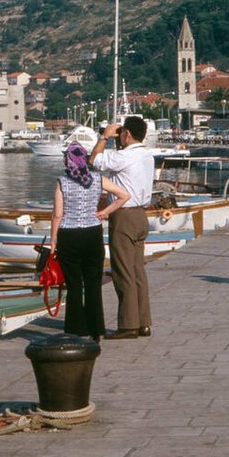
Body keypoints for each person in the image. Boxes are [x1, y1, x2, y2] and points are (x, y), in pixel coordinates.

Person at [49, 141, 129, 341]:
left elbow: (58, 215)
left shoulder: (62, 182)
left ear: (68, 161)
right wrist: (104, 213)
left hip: (69, 235)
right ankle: (96, 330)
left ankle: (76, 329)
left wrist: (52, 242)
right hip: (92, 233)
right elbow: (124, 195)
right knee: (93, 283)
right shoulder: (97, 179)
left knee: (74, 284)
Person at [89, 115, 156, 338]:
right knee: (138, 272)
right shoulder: (147, 155)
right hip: (140, 215)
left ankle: (128, 325)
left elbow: (93, 161)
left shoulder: (124, 157)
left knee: (123, 271)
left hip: (124, 216)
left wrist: (105, 137)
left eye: (122, 133)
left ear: (127, 134)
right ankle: (143, 321)